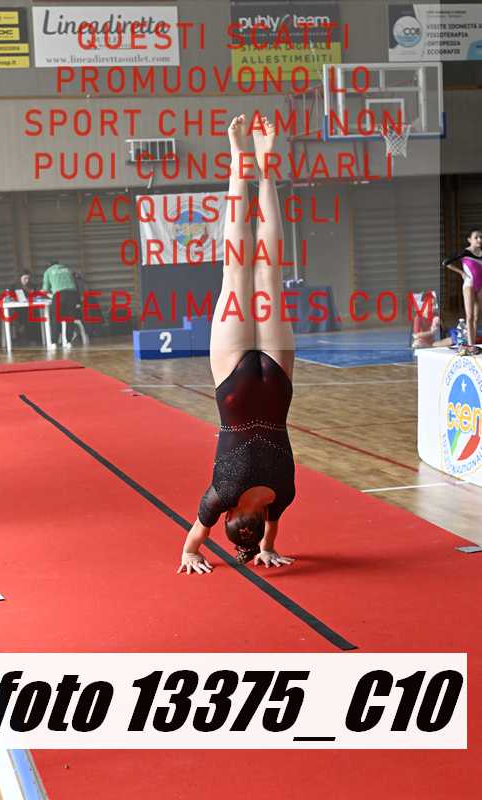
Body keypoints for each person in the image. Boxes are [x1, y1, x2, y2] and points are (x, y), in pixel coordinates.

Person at [178, 114, 296, 575]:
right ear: (228, 516)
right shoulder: (220, 496)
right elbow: (195, 539)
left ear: (260, 518)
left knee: (270, 271)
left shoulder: (282, 496)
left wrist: (266, 548)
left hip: (275, 383)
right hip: (234, 386)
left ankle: (265, 164)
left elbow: (270, 528)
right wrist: (191, 553)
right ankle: (238, 158)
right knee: (236, 268)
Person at [443, 229, 482, 356]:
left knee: (476, 317)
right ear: (469, 240)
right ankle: (470, 346)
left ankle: (473, 344)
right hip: (469, 285)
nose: (479, 240)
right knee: (469, 317)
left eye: (481, 237)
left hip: (480, 286)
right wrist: (461, 273)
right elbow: (446, 262)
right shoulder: (465, 252)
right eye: (476, 237)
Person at [42, 260, 79, 345]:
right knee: (70, 318)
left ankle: (54, 342)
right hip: (72, 294)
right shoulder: (67, 269)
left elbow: (45, 289)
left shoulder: (48, 271)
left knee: (55, 317)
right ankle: (69, 341)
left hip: (59, 295)